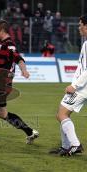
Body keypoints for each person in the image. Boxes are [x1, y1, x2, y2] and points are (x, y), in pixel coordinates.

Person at [49, 15, 87, 156]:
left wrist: (75, 85)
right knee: (62, 113)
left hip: (83, 87)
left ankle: (74, 145)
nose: (78, 28)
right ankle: (66, 147)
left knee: (62, 113)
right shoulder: (85, 43)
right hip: (82, 85)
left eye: (80, 25)